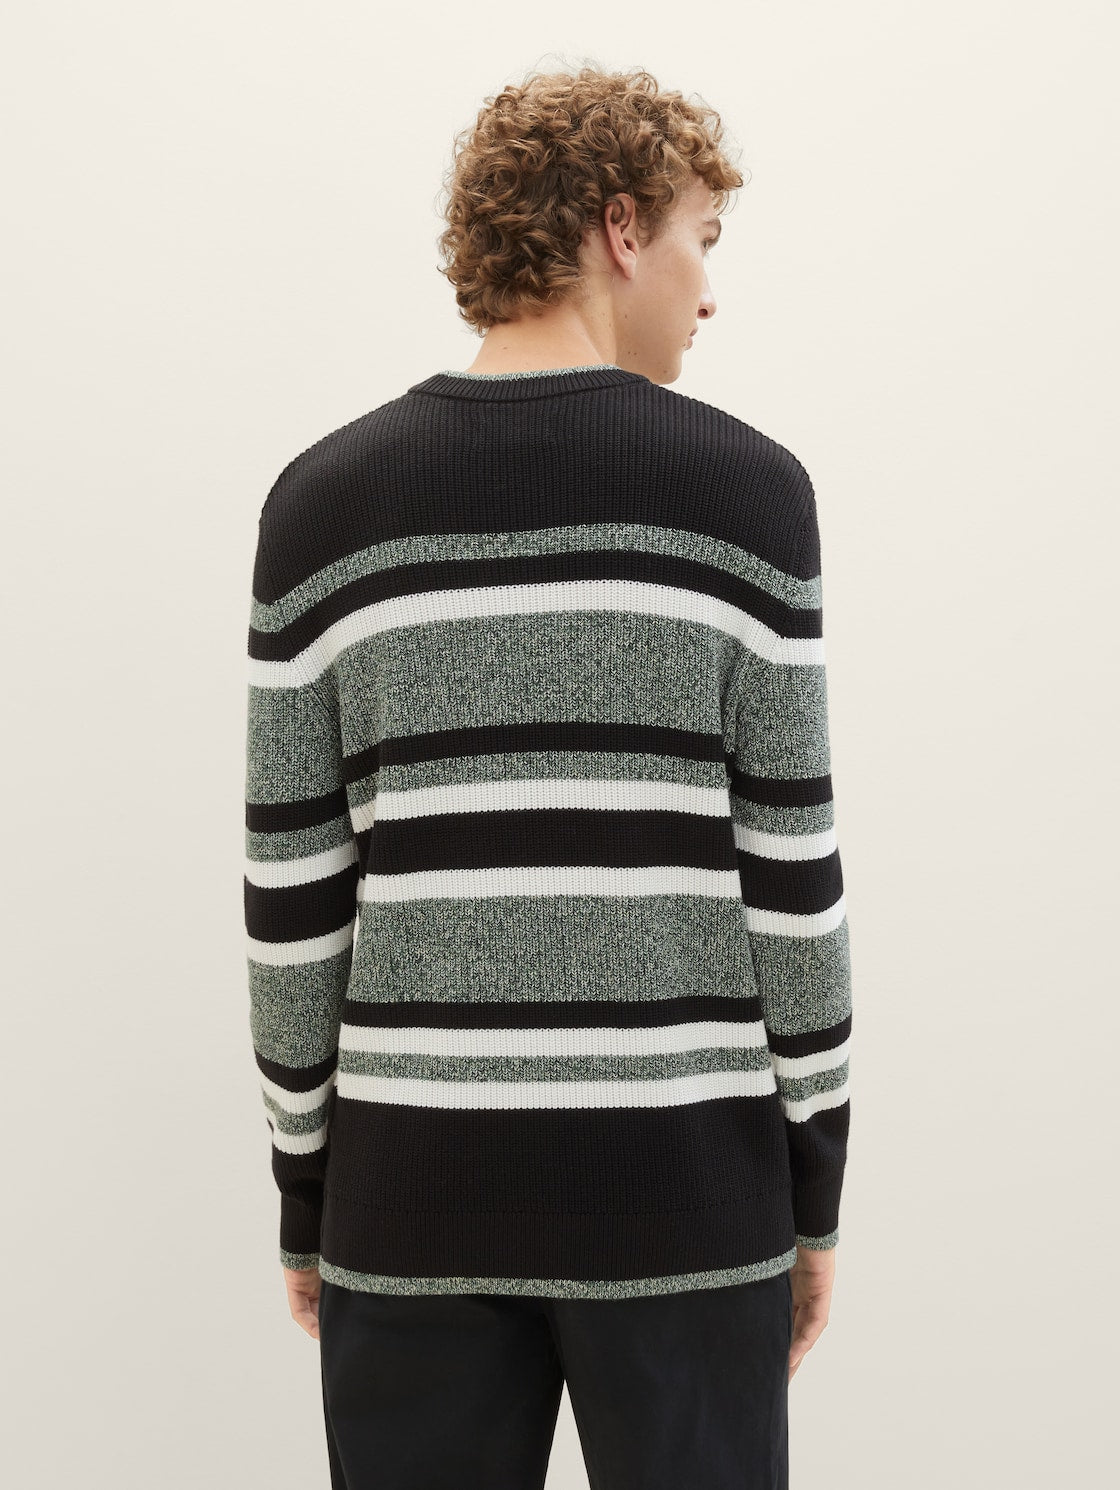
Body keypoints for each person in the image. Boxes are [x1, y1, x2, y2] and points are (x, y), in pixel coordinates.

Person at [244, 63, 852, 1490]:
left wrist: (309, 1190)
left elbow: (293, 907)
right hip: (686, 1195)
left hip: (411, 1197)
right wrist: (813, 1185)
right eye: (702, 239)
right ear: (622, 227)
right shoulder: (750, 497)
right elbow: (794, 884)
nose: (709, 293)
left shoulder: (320, 508)